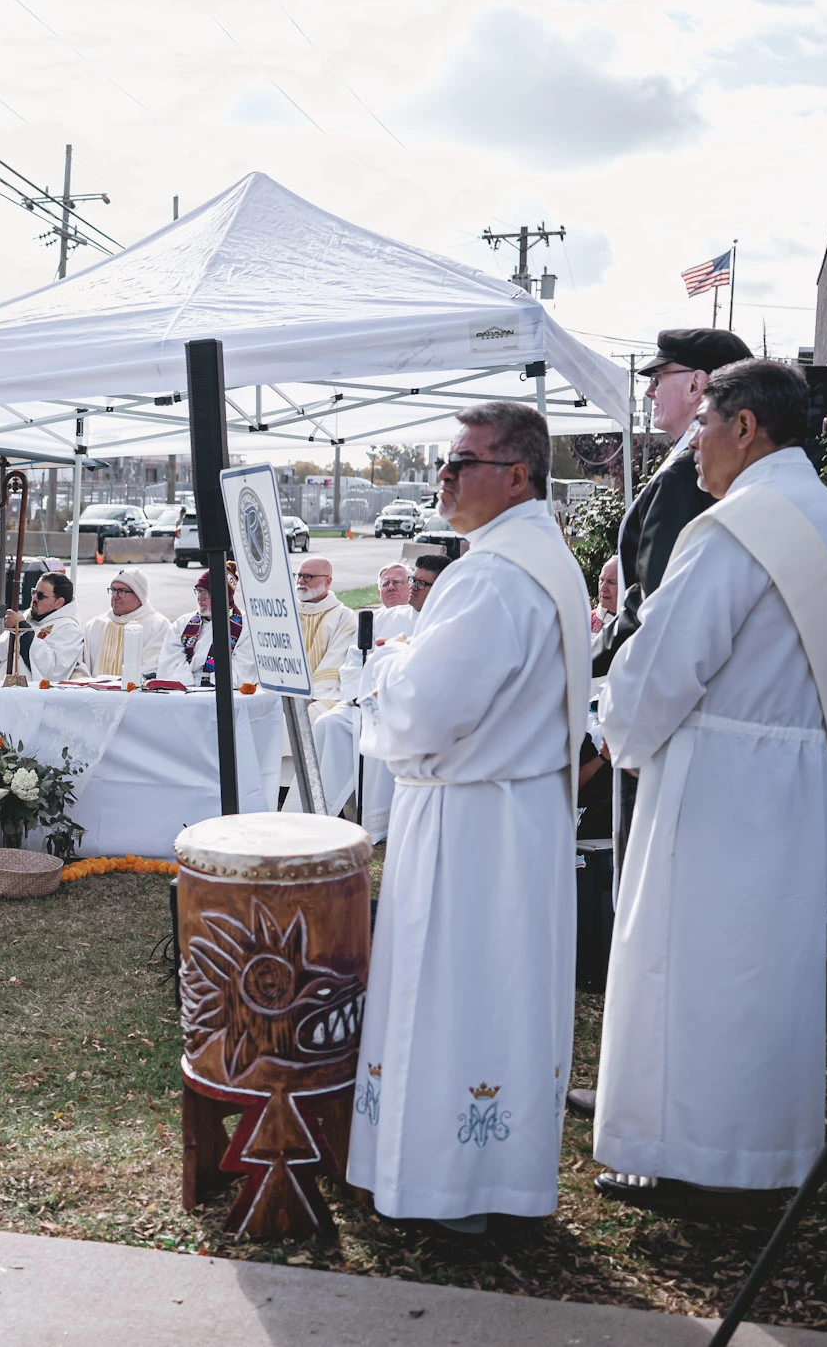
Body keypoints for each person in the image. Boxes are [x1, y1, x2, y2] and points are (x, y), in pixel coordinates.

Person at [594, 359, 827, 1209]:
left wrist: (618, 731)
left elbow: (663, 664)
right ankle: (755, 1153)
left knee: (697, 968)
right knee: (762, 972)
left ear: (745, 427)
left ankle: (699, 1160)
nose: (692, 444)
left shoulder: (736, 528)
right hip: (789, 778)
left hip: (717, 786)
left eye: (701, 424)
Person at [348, 401, 589, 1233]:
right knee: (504, 994)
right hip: (516, 811)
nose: (443, 477)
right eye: (444, 463)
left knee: (450, 993)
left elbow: (421, 710)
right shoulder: (540, 557)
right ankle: (494, 1176)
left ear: (516, 473)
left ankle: (444, 1186)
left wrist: (389, 662)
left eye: (461, 462)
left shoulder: (489, 576)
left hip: (468, 823)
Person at [594, 328, 754, 674]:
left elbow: (653, 607)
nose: (650, 391)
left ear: (696, 385)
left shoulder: (686, 475)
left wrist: (581, 664)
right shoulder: (719, 466)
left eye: (658, 376)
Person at [157, 566, 253, 686]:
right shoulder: (182, 624)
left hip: (222, 691)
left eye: (206, 592)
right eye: (198, 590)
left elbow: (244, 666)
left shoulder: (246, 626)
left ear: (223, 595)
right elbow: (169, 661)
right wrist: (190, 683)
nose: (199, 597)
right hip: (186, 689)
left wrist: (213, 683)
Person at [81, 568, 170, 679]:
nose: (115, 596)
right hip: (92, 694)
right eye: (113, 590)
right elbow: (80, 665)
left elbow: (152, 667)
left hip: (134, 694)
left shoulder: (158, 626)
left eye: (122, 591)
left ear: (139, 596)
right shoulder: (93, 626)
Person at [294, 557, 358, 706]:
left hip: (325, 694)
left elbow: (336, 658)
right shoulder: (287, 612)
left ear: (328, 581)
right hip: (287, 692)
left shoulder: (343, 616)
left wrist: (311, 695)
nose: (301, 581)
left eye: (308, 577)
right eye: (299, 576)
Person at [0, 572, 82, 683]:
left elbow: (52, 671)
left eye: (40, 595)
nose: (34, 598)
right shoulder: (28, 616)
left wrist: (24, 630)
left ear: (59, 602)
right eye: (34, 592)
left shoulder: (69, 630)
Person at [372, 563, 417, 641]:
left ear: (411, 586)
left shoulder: (420, 614)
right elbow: (356, 652)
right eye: (385, 584)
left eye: (397, 582)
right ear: (379, 593)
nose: (391, 587)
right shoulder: (372, 619)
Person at [590, 556, 620, 637]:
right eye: (601, 580)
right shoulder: (586, 621)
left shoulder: (637, 625)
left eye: (611, 582)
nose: (603, 588)